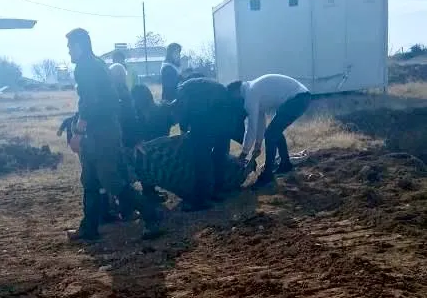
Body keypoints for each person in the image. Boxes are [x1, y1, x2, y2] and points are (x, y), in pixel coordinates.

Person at [65, 28, 162, 241]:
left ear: (79, 45)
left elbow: (90, 102)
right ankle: (89, 228)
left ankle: (152, 215)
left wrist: (78, 133)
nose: (69, 51)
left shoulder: (85, 67)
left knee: (111, 181)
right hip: (102, 131)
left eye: (70, 46)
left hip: (101, 133)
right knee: (90, 180)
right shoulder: (96, 64)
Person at [227, 74, 312, 187]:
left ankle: (268, 175)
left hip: (298, 98)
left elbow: (251, 127)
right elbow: (260, 122)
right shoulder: (252, 90)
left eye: (232, 97)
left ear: (236, 92)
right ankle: (285, 164)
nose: (234, 100)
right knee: (274, 132)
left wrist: (244, 153)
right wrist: (257, 146)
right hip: (301, 97)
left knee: (271, 135)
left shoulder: (250, 95)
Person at [173, 77, 236, 210]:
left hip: (206, 119)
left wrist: (183, 131)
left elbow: (183, 111)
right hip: (226, 119)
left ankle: (200, 200)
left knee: (201, 159)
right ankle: (218, 191)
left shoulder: (182, 90)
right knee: (219, 156)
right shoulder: (206, 84)